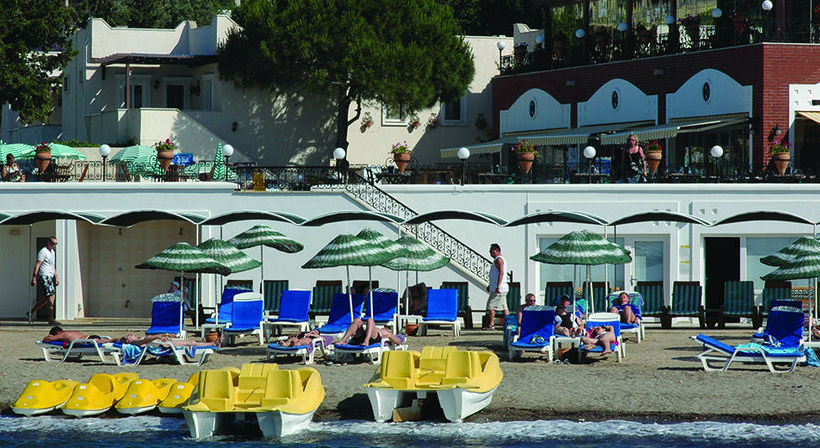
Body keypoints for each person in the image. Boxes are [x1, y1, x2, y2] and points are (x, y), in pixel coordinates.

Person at [29, 237, 59, 325]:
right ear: (49, 243)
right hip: (44, 275)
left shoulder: (52, 252)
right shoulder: (43, 251)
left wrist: (56, 277)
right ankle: (50, 318)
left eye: (56, 244)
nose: (55, 246)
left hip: (50, 275)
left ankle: (32, 311)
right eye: (53, 243)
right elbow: (38, 264)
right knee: (50, 297)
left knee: (49, 298)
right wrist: (34, 277)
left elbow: (53, 266)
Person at [484, 243, 509, 330]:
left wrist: (498, 286)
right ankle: (508, 323)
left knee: (490, 306)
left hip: (499, 289)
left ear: (497, 251)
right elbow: (495, 274)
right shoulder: (497, 260)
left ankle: (491, 324)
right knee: (504, 307)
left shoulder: (499, 260)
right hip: (499, 287)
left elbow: (501, 273)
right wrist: (491, 285)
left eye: (491, 251)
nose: (490, 253)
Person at [339, 317, 403, 346]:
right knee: (357, 320)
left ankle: (366, 340)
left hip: (373, 339)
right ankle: (343, 340)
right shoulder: (378, 329)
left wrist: (389, 336)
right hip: (363, 337)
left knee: (370, 320)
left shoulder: (387, 332)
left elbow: (398, 342)